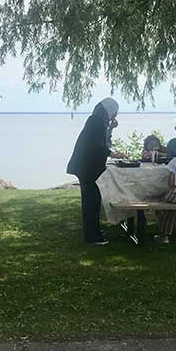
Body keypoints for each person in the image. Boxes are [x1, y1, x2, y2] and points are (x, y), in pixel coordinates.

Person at [67, 98, 125, 245]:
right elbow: (97, 145)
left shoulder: (97, 121)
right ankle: (92, 237)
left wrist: (111, 128)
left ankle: (93, 232)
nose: (115, 116)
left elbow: (103, 141)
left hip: (87, 167)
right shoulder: (97, 122)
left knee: (92, 202)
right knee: (91, 203)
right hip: (88, 168)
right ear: (109, 110)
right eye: (115, 112)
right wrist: (113, 154)